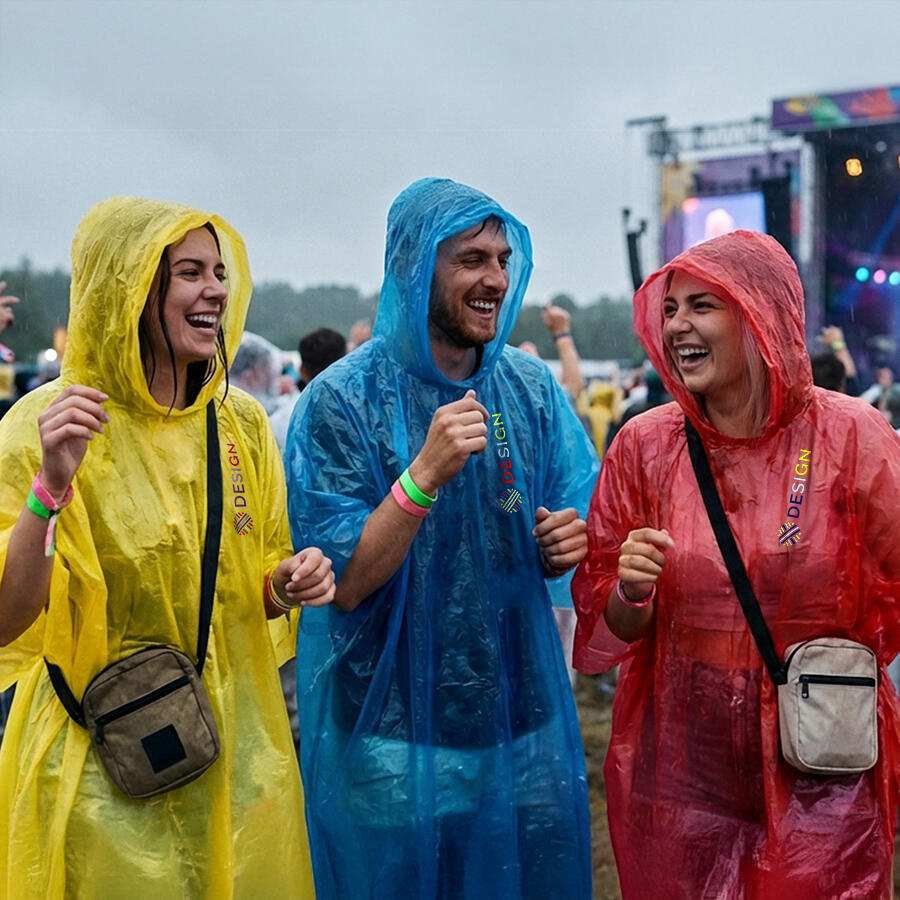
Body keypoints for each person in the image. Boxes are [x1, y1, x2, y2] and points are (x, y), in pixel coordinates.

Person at [0, 196, 335, 898]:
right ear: (126, 287)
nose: (216, 290)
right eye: (189, 272)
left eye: (220, 272)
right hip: (99, 779)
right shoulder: (47, 425)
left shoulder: (239, 424)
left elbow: (252, 586)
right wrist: (50, 487)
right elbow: (7, 617)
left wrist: (286, 584)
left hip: (228, 755)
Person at [285, 177, 597, 900]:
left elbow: (574, 513)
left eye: (503, 260)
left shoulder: (529, 388)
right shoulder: (340, 402)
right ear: (414, 267)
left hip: (521, 724)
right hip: (392, 737)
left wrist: (565, 540)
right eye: (471, 260)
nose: (496, 279)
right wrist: (423, 475)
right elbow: (346, 583)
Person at [573, 229, 900, 899]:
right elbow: (608, 628)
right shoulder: (645, 448)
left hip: (819, 756)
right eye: (669, 309)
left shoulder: (852, 437)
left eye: (702, 306)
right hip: (686, 760)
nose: (677, 326)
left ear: (761, 315)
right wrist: (631, 591)